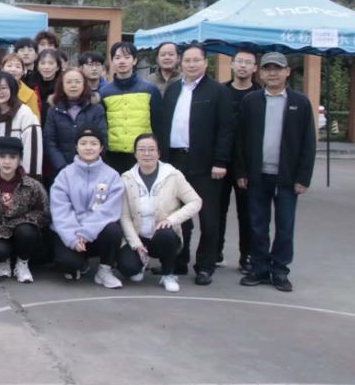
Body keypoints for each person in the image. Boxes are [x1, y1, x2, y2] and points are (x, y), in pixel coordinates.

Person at [237, 53, 315, 293]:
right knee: (257, 225)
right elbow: (240, 140)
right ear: (260, 72)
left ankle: (280, 270)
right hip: (257, 176)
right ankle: (259, 268)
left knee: (285, 227)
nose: (272, 73)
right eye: (267, 68)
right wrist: (241, 172)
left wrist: (303, 178)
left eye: (277, 69)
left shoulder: (300, 102)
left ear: (287, 72)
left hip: (287, 178)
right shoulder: (251, 101)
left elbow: (308, 143)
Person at [156, 42, 233, 285]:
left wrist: (220, 161)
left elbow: (225, 129)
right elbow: (163, 125)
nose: (191, 64)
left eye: (196, 60)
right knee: (178, 215)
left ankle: (205, 266)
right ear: (181, 63)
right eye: (187, 60)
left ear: (205, 63)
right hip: (175, 160)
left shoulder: (218, 91)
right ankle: (179, 261)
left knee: (208, 218)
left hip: (206, 163)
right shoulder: (173, 89)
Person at [117, 134, 202, 293]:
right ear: (135, 154)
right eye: (142, 150)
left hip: (162, 235)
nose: (146, 154)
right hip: (139, 236)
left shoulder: (173, 175)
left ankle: (168, 274)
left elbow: (195, 201)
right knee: (128, 269)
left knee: (166, 235)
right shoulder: (126, 178)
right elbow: (125, 216)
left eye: (151, 149)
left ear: (159, 153)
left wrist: (171, 220)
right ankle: (140, 263)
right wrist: (136, 244)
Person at [50, 127, 125, 289]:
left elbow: (109, 210)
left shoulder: (112, 176)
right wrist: (73, 237)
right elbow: (60, 210)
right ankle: (81, 263)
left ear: (101, 147)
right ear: (76, 147)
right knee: (68, 263)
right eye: (83, 143)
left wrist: (87, 232)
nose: (88, 147)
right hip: (72, 233)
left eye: (93, 143)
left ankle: (104, 270)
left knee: (113, 230)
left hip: (96, 232)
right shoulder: (64, 175)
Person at [0, 136, 50, 282]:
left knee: (26, 231)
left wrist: (16, 225)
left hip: (23, 233)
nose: (7, 162)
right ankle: (4, 261)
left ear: (19, 159)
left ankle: (22, 263)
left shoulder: (33, 185)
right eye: (2, 157)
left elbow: (43, 213)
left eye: (12, 157)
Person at [219, 47, 261, 273]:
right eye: (239, 62)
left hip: (248, 163)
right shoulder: (221, 92)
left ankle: (247, 256)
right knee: (217, 210)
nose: (243, 66)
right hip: (221, 161)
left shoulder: (261, 94)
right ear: (232, 64)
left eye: (248, 62)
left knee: (247, 213)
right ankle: (215, 252)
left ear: (255, 68)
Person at [99, 42, 162, 174]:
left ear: (134, 60)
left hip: (142, 154)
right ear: (112, 61)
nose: (122, 61)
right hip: (113, 155)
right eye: (117, 57)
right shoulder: (104, 92)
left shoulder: (150, 89)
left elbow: (159, 124)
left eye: (127, 57)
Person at [44, 69, 108, 174]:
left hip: (91, 168)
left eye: (77, 82)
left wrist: (89, 163)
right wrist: (63, 168)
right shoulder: (53, 110)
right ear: (62, 85)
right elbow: (50, 143)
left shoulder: (96, 109)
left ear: (84, 84)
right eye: (68, 82)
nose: (73, 85)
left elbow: (103, 138)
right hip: (62, 171)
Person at [0, 72, 43, 180]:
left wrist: (29, 181)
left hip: (20, 180)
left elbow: (33, 153)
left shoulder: (25, 114)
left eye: (3, 88)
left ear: (13, 90)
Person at [0, 54, 42, 118]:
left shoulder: (30, 94)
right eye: (9, 66)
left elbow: (35, 119)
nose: (13, 69)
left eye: (18, 67)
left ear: (23, 71)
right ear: (2, 69)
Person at [33, 49, 61, 129]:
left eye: (51, 63)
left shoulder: (62, 87)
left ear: (58, 67)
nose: (46, 67)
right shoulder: (31, 86)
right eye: (42, 63)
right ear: (37, 66)